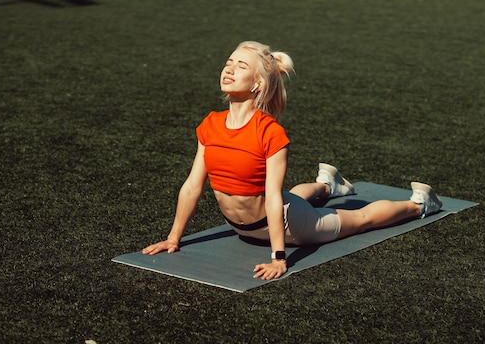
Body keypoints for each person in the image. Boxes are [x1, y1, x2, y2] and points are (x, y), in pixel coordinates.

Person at [142, 41, 442, 281]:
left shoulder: (270, 132)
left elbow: (273, 198)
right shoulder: (210, 124)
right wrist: (173, 239)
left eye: (240, 65)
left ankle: (421, 204)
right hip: (240, 226)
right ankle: (327, 186)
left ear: (257, 84)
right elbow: (193, 186)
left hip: (290, 227)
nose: (229, 69)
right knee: (294, 197)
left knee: (360, 220)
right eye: (228, 62)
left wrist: (278, 257)